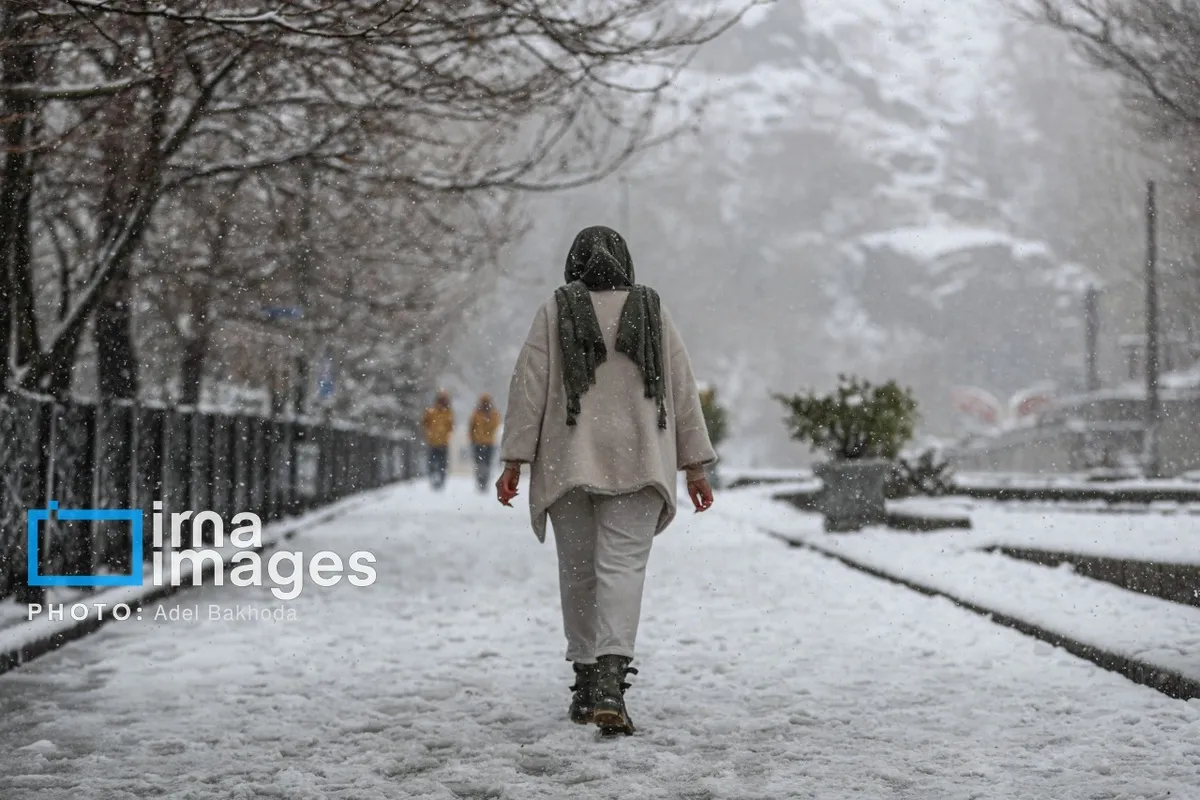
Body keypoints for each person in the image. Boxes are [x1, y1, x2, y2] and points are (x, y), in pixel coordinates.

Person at [496, 225, 716, 737]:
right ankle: (611, 684)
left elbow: (529, 387)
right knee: (622, 570)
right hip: (640, 460)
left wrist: (514, 460)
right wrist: (695, 466)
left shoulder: (555, 310)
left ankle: (585, 683)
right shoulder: (652, 310)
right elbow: (682, 389)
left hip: (568, 460)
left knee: (578, 573)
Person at [469, 393, 502, 492]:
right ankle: (480, 482)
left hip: (487, 443)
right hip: (480, 443)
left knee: (486, 464)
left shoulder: (492, 414)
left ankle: (484, 482)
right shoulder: (477, 413)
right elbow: (472, 426)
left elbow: (495, 425)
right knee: (481, 464)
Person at [422, 390, 454, 490]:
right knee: (435, 462)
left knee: (441, 463)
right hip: (434, 442)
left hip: (441, 442)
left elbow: (450, 426)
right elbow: (425, 423)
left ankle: (440, 481)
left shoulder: (447, 412)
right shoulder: (432, 412)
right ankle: (434, 480)